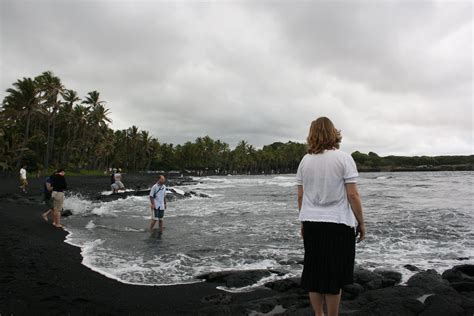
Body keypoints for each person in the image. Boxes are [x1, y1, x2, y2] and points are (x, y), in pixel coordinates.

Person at [296, 117, 366, 316]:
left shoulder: (305, 161)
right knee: (334, 275)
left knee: (314, 271)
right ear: (333, 133)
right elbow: (353, 194)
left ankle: (319, 314)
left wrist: (303, 221)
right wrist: (361, 222)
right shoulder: (344, 158)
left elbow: (301, 195)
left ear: (312, 134)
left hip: (311, 223)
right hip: (338, 223)